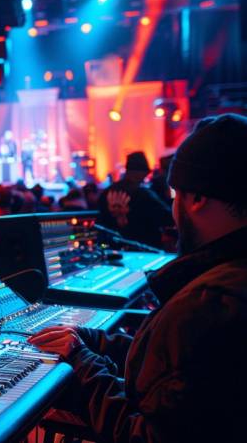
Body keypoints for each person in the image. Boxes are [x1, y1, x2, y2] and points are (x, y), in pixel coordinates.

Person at [29, 113, 247, 443]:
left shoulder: (209, 303)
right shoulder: (226, 281)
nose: (173, 209)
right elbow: (178, 370)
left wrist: (81, 363)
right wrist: (92, 341)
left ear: (197, 199)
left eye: (175, 194)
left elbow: (145, 436)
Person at [97, 151, 173, 248]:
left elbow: (100, 222)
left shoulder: (105, 193)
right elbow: (167, 217)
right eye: (145, 174)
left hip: (113, 248)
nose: (145, 177)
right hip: (145, 248)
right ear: (139, 173)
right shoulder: (143, 194)